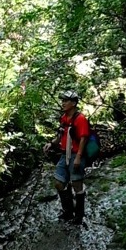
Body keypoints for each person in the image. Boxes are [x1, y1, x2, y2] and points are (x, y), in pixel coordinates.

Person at [44, 90, 92, 224]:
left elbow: (83, 139)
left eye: (66, 101)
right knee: (59, 183)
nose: (63, 103)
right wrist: (51, 144)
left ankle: (79, 215)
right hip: (64, 154)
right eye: (63, 100)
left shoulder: (80, 119)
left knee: (77, 184)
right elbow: (60, 135)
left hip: (76, 154)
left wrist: (78, 157)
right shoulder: (64, 117)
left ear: (74, 103)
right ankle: (68, 211)